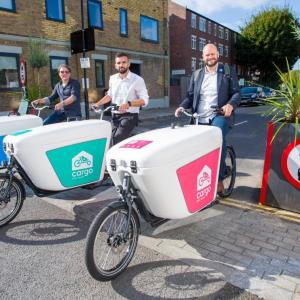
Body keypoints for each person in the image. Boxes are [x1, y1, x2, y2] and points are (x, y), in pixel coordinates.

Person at [175, 43, 240, 193]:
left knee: (216, 135)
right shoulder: (197, 74)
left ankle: (218, 178)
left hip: (220, 115)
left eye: (212, 54)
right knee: (193, 147)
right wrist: (182, 106)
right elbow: (190, 96)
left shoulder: (227, 72)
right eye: (207, 55)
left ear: (217, 55)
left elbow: (236, 93)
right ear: (202, 57)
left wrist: (230, 105)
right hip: (199, 116)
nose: (210, 57)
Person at [93, 52, 149, 145]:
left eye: (124, 62)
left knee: (117, 139)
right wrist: (97, 104)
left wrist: (129, 104)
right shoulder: (113, 78)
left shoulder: (137, 80)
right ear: (115, 65)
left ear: (128, 64)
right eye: (118, 63)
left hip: (129, 115)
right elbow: (109, 95)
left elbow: (144, 100)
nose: (121, 65)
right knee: (109, 140)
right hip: (115, 115)